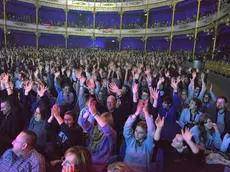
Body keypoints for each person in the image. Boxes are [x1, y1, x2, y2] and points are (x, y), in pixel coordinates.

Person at [79, 98, 117, 172]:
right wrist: (89, 111)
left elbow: (107, 130)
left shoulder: (112, 134)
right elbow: (83, 122)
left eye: (101, 121)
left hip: (101, 165)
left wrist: (95, 114)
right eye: (99, 120)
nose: (99, 123)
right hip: (87, 160)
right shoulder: (94, 129)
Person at [123, 100, 155, 172]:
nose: (137, 134)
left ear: (146, 134)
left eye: (140, 132)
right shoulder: (130, 140)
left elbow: (151, 131)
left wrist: (146, 112)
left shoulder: (148, 144)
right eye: (136, 131)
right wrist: (136, 113)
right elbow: (126, 128)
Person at [0, 73, 25, 156]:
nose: (1, 109)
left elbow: (14, 104)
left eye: (3, 107)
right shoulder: (5, 114)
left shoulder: (15, 116)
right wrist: (2, 84)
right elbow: (3, 97)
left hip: (8, 149)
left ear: (9, 106)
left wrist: (7, 85)